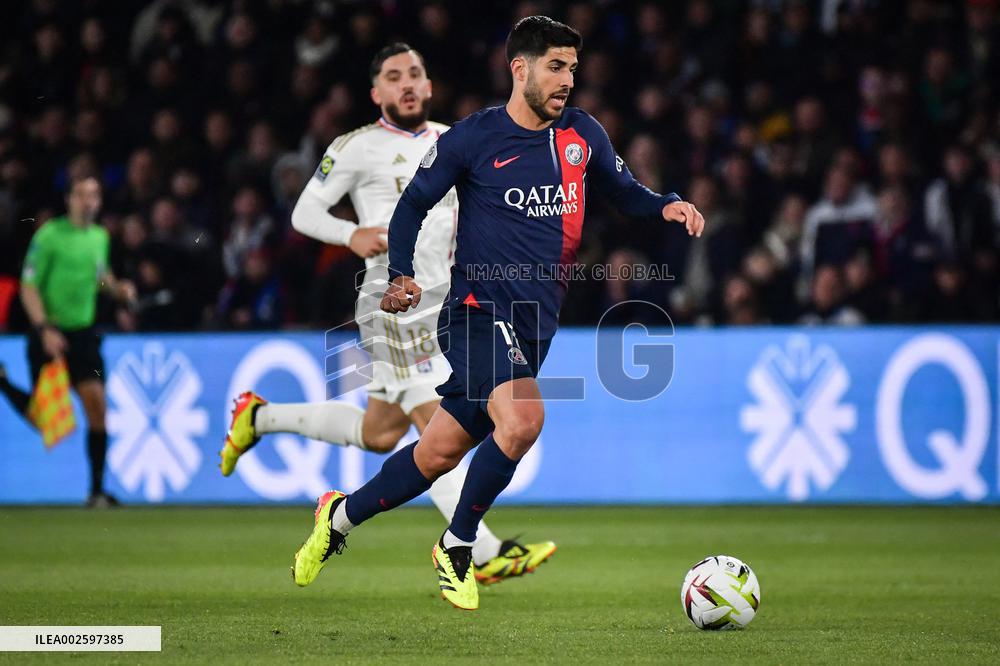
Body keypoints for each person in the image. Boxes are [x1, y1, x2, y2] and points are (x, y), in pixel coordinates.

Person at [290, 17, 704, 610]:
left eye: (572, 69)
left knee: (435, 455)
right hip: (474, 313)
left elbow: (623, 191)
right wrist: (401, 273)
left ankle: (339, 518)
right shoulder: (472, 138)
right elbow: (411, 206)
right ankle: (458, 548)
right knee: (525, 419)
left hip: (534, 326)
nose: (567, 80)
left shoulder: (583, 135)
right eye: (555, 67)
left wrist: (666, 207)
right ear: (521, 69)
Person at [219, 43, 555, 585]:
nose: (406, 84)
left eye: (415, 74)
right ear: (376, 93)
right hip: (392, 306)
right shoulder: (355, 147)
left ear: (428, 86)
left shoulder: (459, 140)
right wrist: (350, 233)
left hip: (454, 304)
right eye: (393, 76)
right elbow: (306, 211)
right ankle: (484, 551)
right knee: (435, 422)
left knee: (381, 433)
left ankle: (259, 417)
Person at [0, 175, 135, 507]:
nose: (88, 201)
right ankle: (3, 382)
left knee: (97, 406)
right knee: (46, 421)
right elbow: (28, 285)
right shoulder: (49, 236)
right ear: (69, 200)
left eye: (94, 195)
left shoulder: (99, 237)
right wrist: (44, 328)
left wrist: (118, 289)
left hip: (83, 334)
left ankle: (97, 491)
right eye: (82, 195)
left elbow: (101, 277)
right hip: (49, 332)